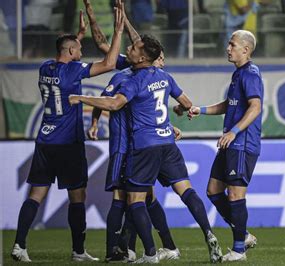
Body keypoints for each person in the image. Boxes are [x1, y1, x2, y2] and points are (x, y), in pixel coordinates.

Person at [68, 34, 223, 264]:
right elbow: (187, 104)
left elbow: (114, 103)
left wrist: (80, 98)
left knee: (134, 200)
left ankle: (149, 253)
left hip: (145, 147)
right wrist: (179, 114)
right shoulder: (165, 76)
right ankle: (209, 234)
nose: (128, 49)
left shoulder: (133, 81)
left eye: (133, 47)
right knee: (187, 191)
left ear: (142, 58)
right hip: (168, 145)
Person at [10, 3, 125, 262]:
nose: (82, 51)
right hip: (69, 143)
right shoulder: (74, 71)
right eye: (79, 49)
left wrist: (79, 35)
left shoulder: (45, 68)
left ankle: (19, 245)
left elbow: (64, 54)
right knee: (78, 196)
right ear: (72, 52)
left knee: (36, 194)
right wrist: (118, 32)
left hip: (45, 139)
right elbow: (108, 62)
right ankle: (78, 251)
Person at [82, 0, 180, 262]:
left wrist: (170, 125)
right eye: (159, 58)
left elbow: (153, 110)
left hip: (144, 144)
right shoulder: (124, 74)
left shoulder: (154, 77)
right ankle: (118, 249)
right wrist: (106, 18)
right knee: (127, 196)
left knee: (143, 197)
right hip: (126, 145)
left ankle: (141, 247)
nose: (162, 62)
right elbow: (106, 46)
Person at [186, 29, 262, 262]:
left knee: (235, 194)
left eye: (232, 45)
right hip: (231, 142)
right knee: (213, 190)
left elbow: (255, 107)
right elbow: (229, 105)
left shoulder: (250, 73)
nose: (228, 48)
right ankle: (244, 234)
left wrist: (234, 131)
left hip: (241, 143)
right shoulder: (238, 74)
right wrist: (202, 109)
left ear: (245, 49)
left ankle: (239, 249)